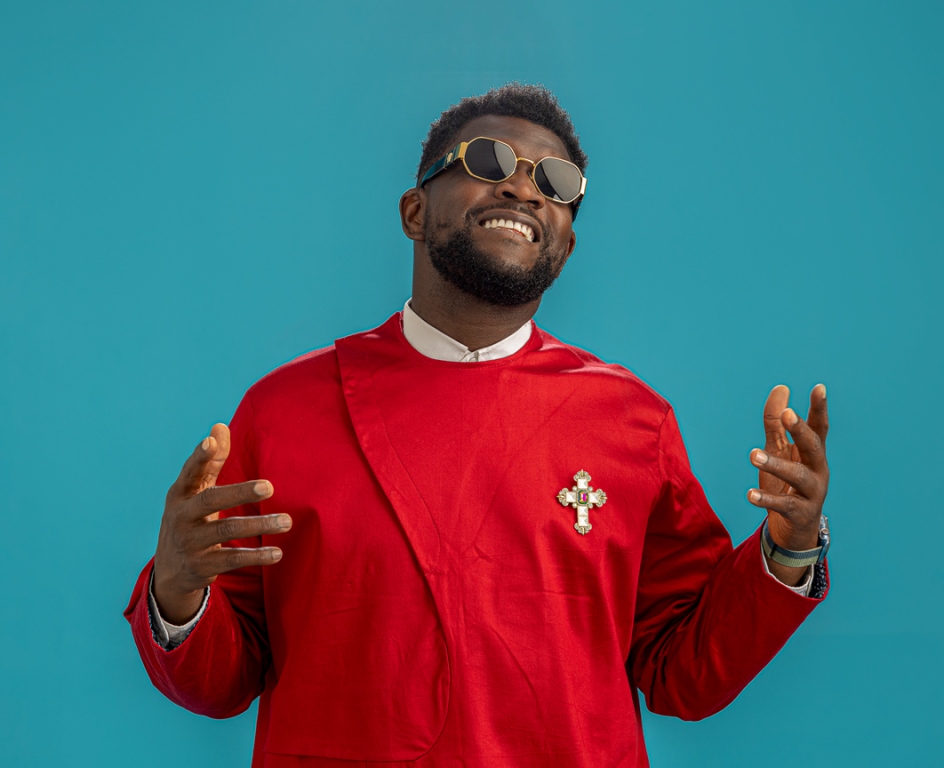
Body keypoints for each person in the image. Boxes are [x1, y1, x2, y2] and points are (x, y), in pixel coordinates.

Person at [125, 84, 831, 768]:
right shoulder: (283, 410)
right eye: (488, 161)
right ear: (414, 211)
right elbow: (223, 681)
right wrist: (177, 590)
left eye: (557, 184)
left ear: (566, 247)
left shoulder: (633, 422)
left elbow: (684, 672)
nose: (524, 189)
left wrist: (787, 552)